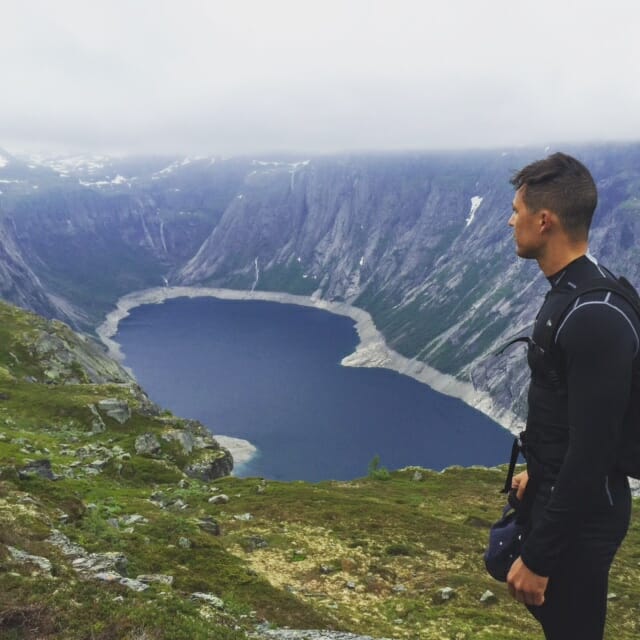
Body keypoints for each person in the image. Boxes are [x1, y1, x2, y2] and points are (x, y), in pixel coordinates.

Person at [505, 152, 639, 639]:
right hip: (567, 501)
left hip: (584, 521)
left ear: (544, 221)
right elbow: (568, 418)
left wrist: (540, 556)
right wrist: (537, 475)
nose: (510, 220)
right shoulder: (580, 290)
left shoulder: (594, 316)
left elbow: (592, 452)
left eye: (517, 211)